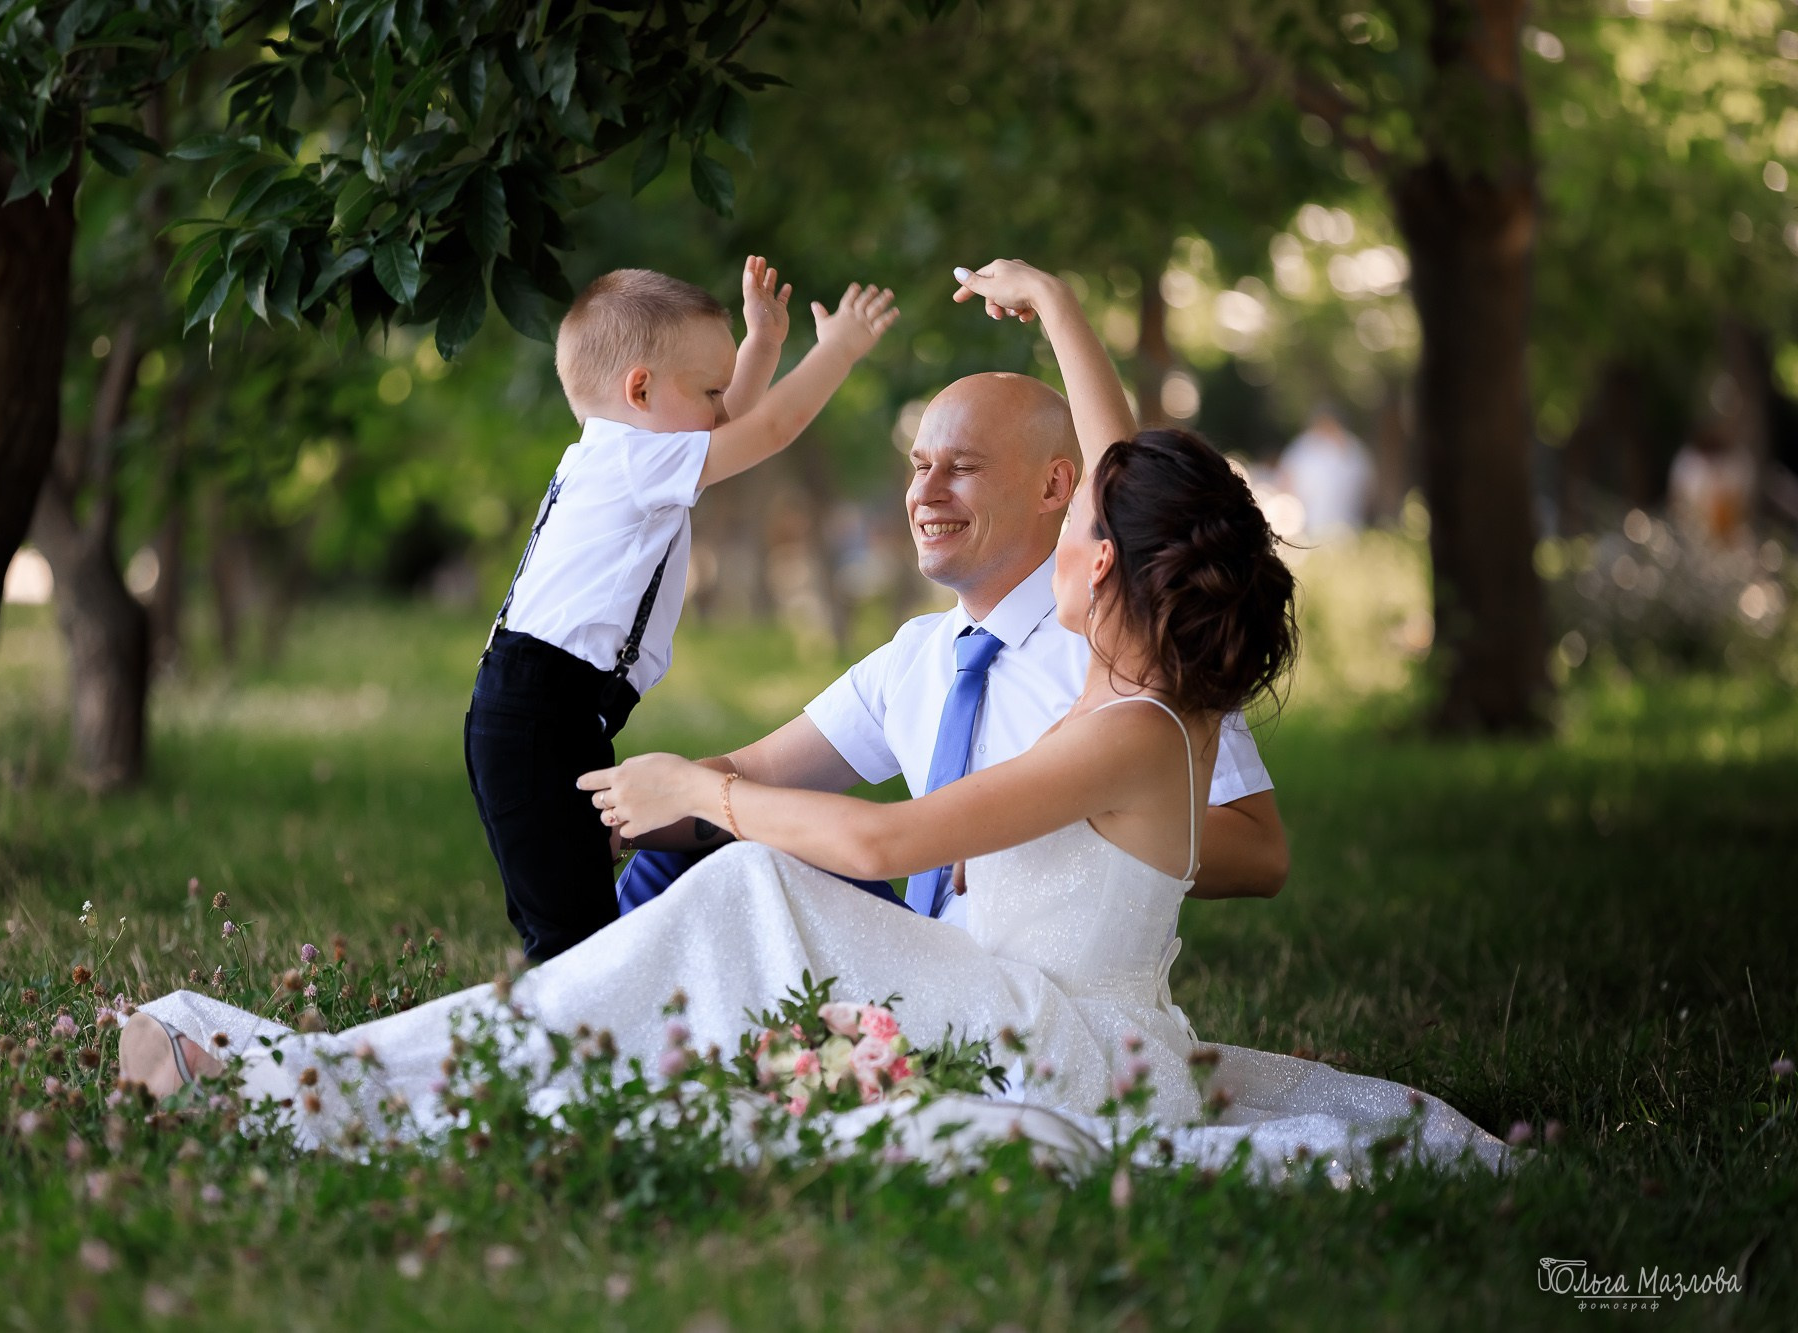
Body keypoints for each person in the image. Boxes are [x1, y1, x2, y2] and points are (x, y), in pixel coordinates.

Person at [125, 259, 1505, 1177]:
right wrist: (1064, 304)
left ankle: (316, 1087)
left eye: (1082, 517)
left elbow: (886, 829)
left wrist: (710, 802)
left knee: (757, 891)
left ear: (1085, 540)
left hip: (1044, 1031)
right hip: (980, 996)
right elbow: (1135, 475)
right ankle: (343, 1074)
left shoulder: (1130, 727)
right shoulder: (1114, 687)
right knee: (724, 916)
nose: (1078, 526)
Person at [613, 370, 1289, 920]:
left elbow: (883, 842)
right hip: (932, 961)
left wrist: (1049, 822)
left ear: (1099, 551)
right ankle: (579, 1008)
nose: (925, 493)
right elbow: (747, 772)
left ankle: (571, 1037)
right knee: (698, 841)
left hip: (1006, 1005)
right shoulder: (926, 654)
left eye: (960, 466)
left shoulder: (1144, 687)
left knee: (736, 842)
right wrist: (607, 810)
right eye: (919, 466)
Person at [465, 259, 898, 963]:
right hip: (539, 711)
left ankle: (579, 1041)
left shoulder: (620, 452)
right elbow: (772, 426)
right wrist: (838, 348)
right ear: (640, 389)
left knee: (577, 918)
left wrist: (760, 342)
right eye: (708, 389)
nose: (719, 410)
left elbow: (736, 422)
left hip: (545, 709)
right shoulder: (637, 459)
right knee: (574, 941)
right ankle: (560, 1051)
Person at [1276, 405, 1375, 539]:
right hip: (1309, 531)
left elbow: (1367, 489)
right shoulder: (1302, 447)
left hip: (1349, 530)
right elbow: (1285, 483)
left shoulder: (1354, 449)